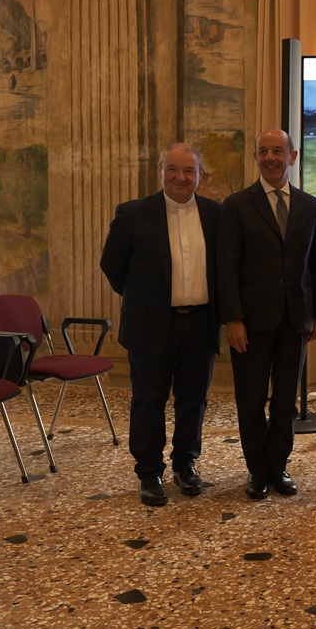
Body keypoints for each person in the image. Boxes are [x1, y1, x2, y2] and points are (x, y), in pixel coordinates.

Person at [100, 143, 221, 506]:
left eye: (189, 171)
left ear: (200, 175)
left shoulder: (215, 214)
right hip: (151, 324)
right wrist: (144, 299)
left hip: (200, 323)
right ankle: (149, 472)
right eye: (173, 169)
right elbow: (113, 265)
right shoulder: (133, 213)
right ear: (160, 171)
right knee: (148, 400)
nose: (180, 177)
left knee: (193, 399)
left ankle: (186, 464)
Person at [219, 128, 316, 500]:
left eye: (278, 151)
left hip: (296, 319)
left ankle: (278, 467)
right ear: (256, 158)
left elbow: (315, 265)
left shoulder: (310, 206)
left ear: (292, 157)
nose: (270, 157)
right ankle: (257, 471)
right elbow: (226, 266)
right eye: (263, 151)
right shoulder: (236, 205)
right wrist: (233, 318)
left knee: (285, 401)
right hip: (250, 322)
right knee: (251, 400)